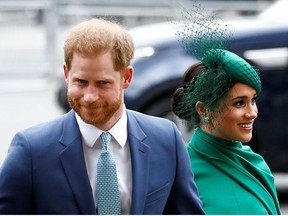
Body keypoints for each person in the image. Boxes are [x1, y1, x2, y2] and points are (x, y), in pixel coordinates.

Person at [0, 18, 204, 215]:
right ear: (66, 74)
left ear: (126, 77)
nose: (89, 96)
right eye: (80, 82)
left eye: (102, 83)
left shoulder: (166, 139)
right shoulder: (31, 149)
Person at [172, 48, 281, 214]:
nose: (252, 113)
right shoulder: (182, 173)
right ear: (203, 109)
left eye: (253, 100)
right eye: (239, 103)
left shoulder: (255, 162)